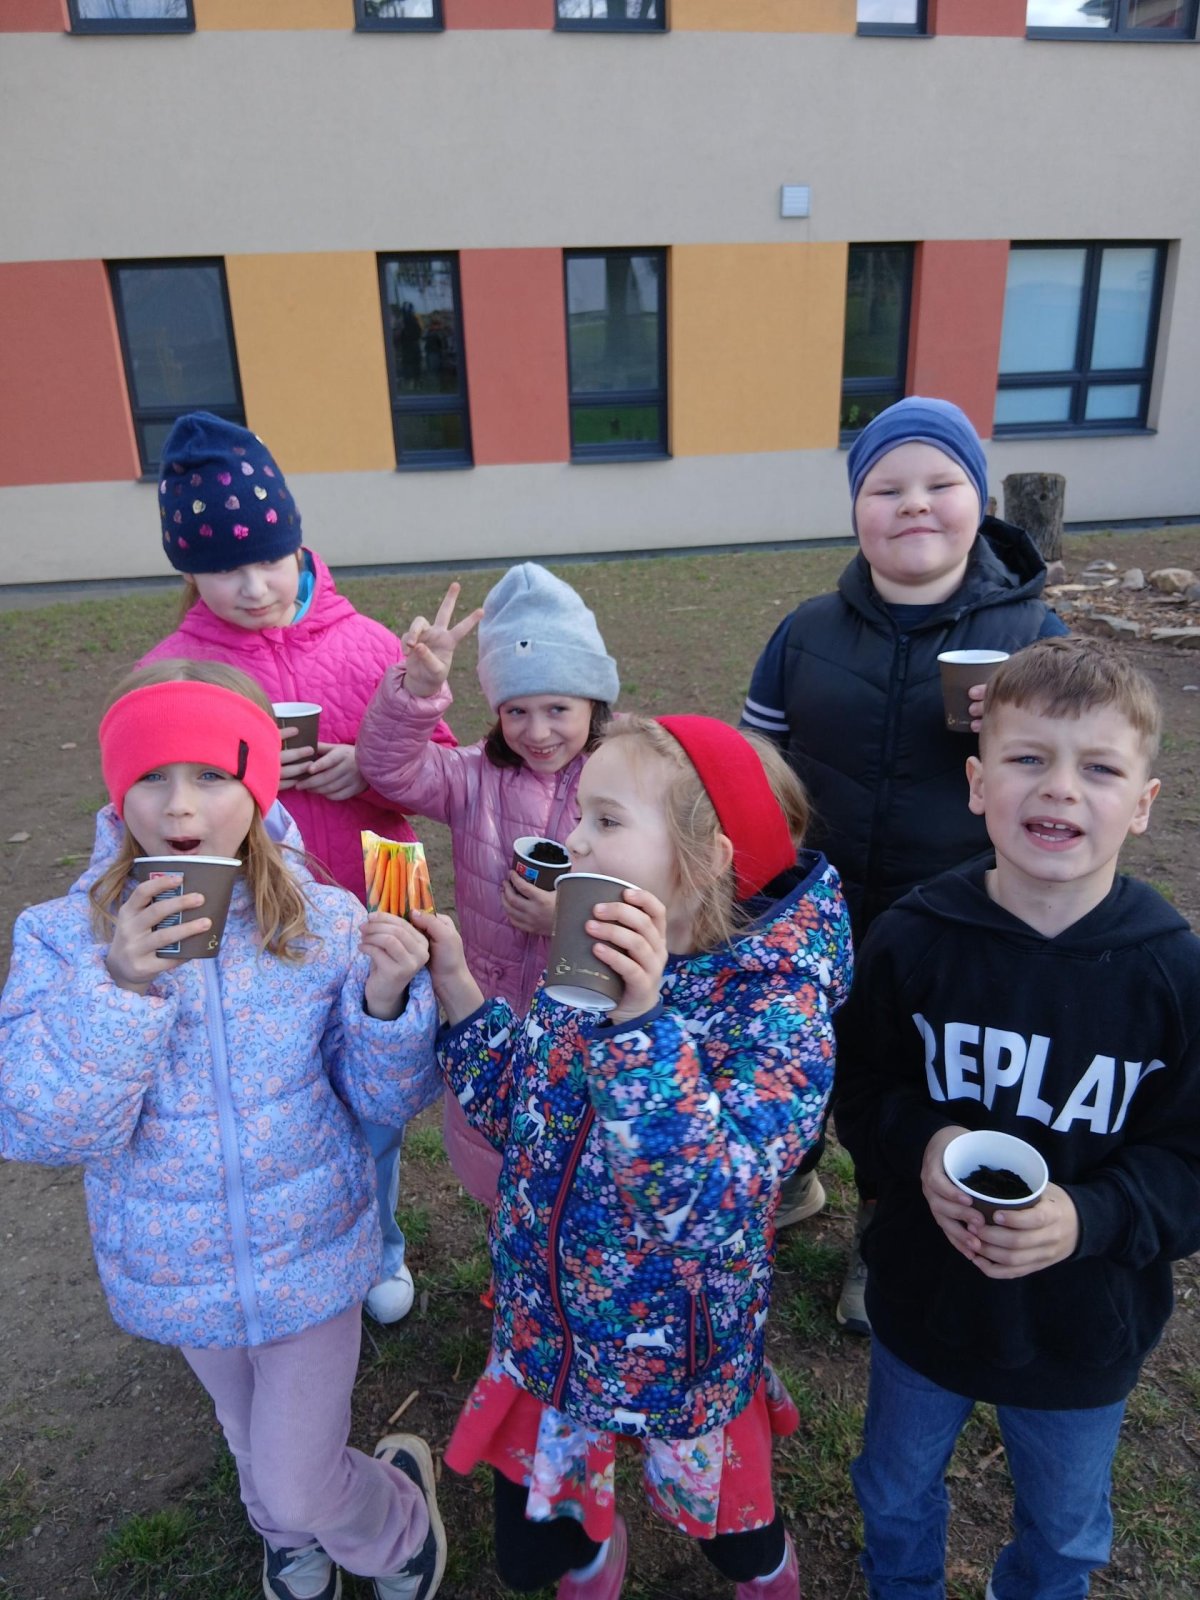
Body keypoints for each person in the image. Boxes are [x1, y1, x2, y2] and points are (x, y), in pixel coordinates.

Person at [0, 661, 449, 1600]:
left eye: (211, 775)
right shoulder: (63, 937)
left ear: (259, 789)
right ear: (116, 792)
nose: (179, 805)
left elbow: (384, 1100)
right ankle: (286, 1536)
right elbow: (41, 1127)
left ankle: (396, 1528)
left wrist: (385, 1000)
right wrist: (119, 985)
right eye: (151, 776)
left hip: (309, 1256)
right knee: (252, 1443)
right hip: (176, 1269)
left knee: (296, 1473)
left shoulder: (323, 920)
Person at [412, 713, 854, 1600]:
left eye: (605, 821)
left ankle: (767, 1574)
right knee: (533, 1557)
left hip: (676, 1350)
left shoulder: (776, 1014)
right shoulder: (589, 953)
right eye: (580, 813)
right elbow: (524, 1117)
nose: (572, 838)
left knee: (731, 1532)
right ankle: (592, 1552)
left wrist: (642, 1024)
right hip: (549, 1333)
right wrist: (457, 986)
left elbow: (708, 1207)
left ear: (706, 859)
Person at [834, 637, 1200, 1600]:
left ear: (1144, 803)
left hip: (1084, 1321)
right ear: (977, 782)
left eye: (1100, 768)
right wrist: (922, 1143)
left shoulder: (1172, 973)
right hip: (924, 1297)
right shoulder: (913, 937)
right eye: (1028, 757)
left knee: (1068, 1533)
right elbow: (858, 1087)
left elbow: (1190, 1159)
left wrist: (1090, 1216)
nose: (1061, 788)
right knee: (894, 1493)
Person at [741, 396, 1067, 1331]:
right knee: (795, 1051)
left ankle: (881, 1230)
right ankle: (791, 1176)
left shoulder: (1035, 636)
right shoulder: (805, 631)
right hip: (812, 908)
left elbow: (1070, 786)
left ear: (979, 501)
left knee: (917, 1079)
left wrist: (1018, 735)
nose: (914, 503)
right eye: (886, 488)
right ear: (856, 511)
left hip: (957, 915)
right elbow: (754, 766)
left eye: (940, 483)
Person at [143, 411, 455, 1326]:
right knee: (281, 1101)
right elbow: (148, 817)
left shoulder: (370, 646)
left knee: (381, 1086)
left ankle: (379, 1245)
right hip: (259, 924)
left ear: (297, 541)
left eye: (269, 559)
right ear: (187, 570)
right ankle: (289, 1252)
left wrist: (372, 766)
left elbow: (440, 771)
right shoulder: (175, 671)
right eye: (223, 569)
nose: (253, 587)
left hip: (382, 889)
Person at [357, 562, 620, 1204]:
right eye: (516, 710)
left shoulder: (623, 785)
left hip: (588, 1022)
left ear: (594, 702)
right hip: (486, 1010)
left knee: (578, 1164)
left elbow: (663, 902)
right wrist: (418, 691)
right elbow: (389, 769)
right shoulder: (472, 777)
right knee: (495, 1155)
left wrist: (566, 922)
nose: (537, 731)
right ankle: (507, 1240)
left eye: (558, 708)